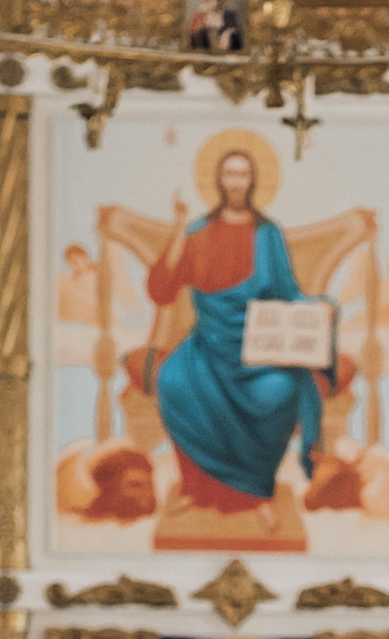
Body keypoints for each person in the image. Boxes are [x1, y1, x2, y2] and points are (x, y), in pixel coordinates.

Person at [144, 135, 364, 522]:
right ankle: (196, 490)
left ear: (252, 180)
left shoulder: (268, 235)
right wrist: (179, 227)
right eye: (229, 173)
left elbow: (289, 294)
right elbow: (162, 290)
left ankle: (257, 493)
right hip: (208, 347)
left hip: (258, 348)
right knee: (173, 382)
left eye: (243, 174)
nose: (236, 181)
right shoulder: (197, 232)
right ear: (218, 179)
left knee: (277, 393)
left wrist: (320, 309)